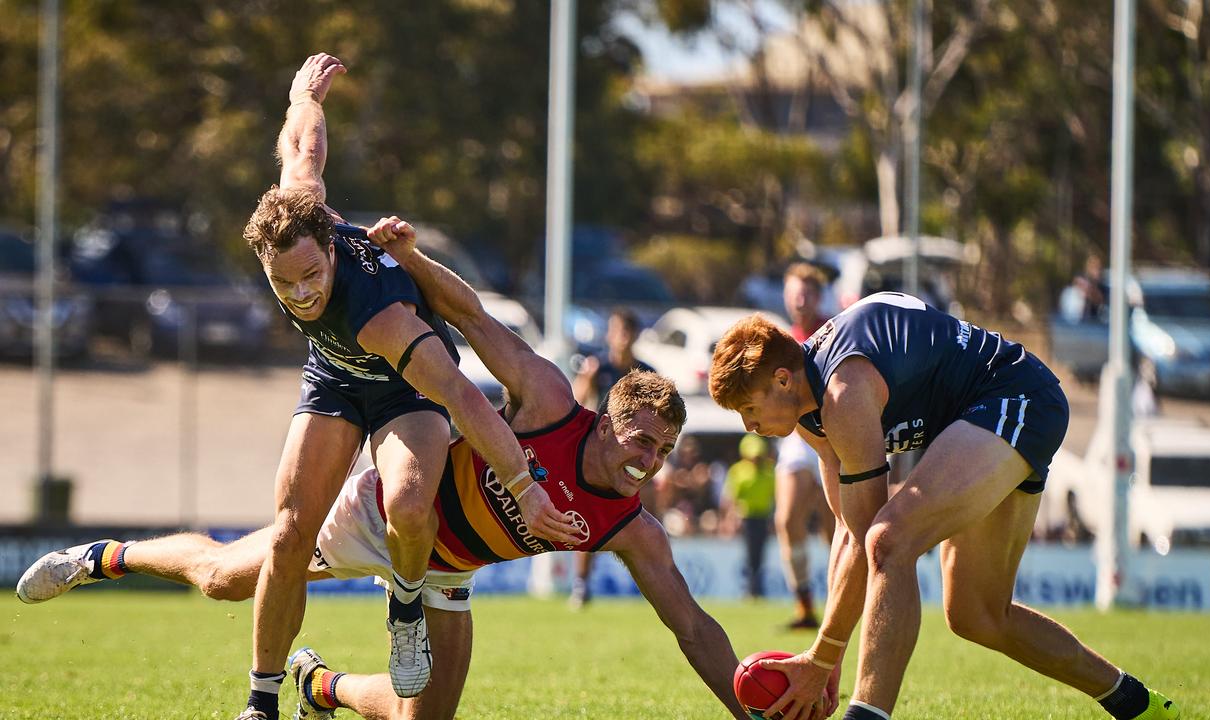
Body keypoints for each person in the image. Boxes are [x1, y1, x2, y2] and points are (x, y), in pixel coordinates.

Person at [17, 219, 750, 720]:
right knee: (224, 579)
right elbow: (467, 315)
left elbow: (693, 628)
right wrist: (414, 258)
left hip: (446, 571)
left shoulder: (633, 527)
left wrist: (753, 709)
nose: (646, 463)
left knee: (419, 717)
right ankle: (101, 557)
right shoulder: (551, 401)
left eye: (659, 454)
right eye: (638, 442)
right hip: (390, 512)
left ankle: (319, 684)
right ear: (605, 422)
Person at [238, 54, 575, 719]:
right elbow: (303, 147)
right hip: (337, 376)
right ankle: (263, 700)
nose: (302, 294)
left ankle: (405, 605)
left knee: (412, 506)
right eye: (286, 286)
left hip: (405, 390)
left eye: (312, 276)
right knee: (285, 536)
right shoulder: (292, 218)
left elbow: (462, 395)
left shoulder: (382, 315)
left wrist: (525, 487)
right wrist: (303, 98)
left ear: (329, 247)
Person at [707, 292, 1180, 720]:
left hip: (1017, 396)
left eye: (750, 408)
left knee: (891, 539)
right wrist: (824, 657)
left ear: (783, 379)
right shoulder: (811, 416)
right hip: (974, 421)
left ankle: (867, 717)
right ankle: (1137, 704)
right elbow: (849, 531)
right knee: (977, 616)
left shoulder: (842, 392)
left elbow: (875, 538)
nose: (750, 426)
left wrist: (822, 657)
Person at [569, 307, 655, 608]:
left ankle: (651, 581)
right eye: (619, 331)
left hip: (635, 457)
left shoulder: (646, 374)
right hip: (601, 455)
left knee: (645, 515)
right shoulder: (598, 367)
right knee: (589, 516)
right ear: (610, 334)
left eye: (628, 332)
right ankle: (581, 585)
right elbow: (578, 405)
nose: (623, 338)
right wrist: (586, 379)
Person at [776, 262, 837, 628]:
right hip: (799, 434)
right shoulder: (780, 340)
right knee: (786, 519)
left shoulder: (833, 331)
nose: (800, 299)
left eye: (807, 293)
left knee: (836, 529)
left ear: (818, 297)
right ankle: (804, 607)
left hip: (835, 432)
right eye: (794, 292)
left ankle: (836, 609)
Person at [719, 433, 776, 598]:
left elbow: (775, 497)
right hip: (746, 518)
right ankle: (751, 589)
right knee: (750, 555)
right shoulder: (738, 471)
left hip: (763, 517)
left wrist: (774, 519)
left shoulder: (769, 471)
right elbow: (730, 497)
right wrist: (729, 519)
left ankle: (756, 589)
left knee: (760, 555)